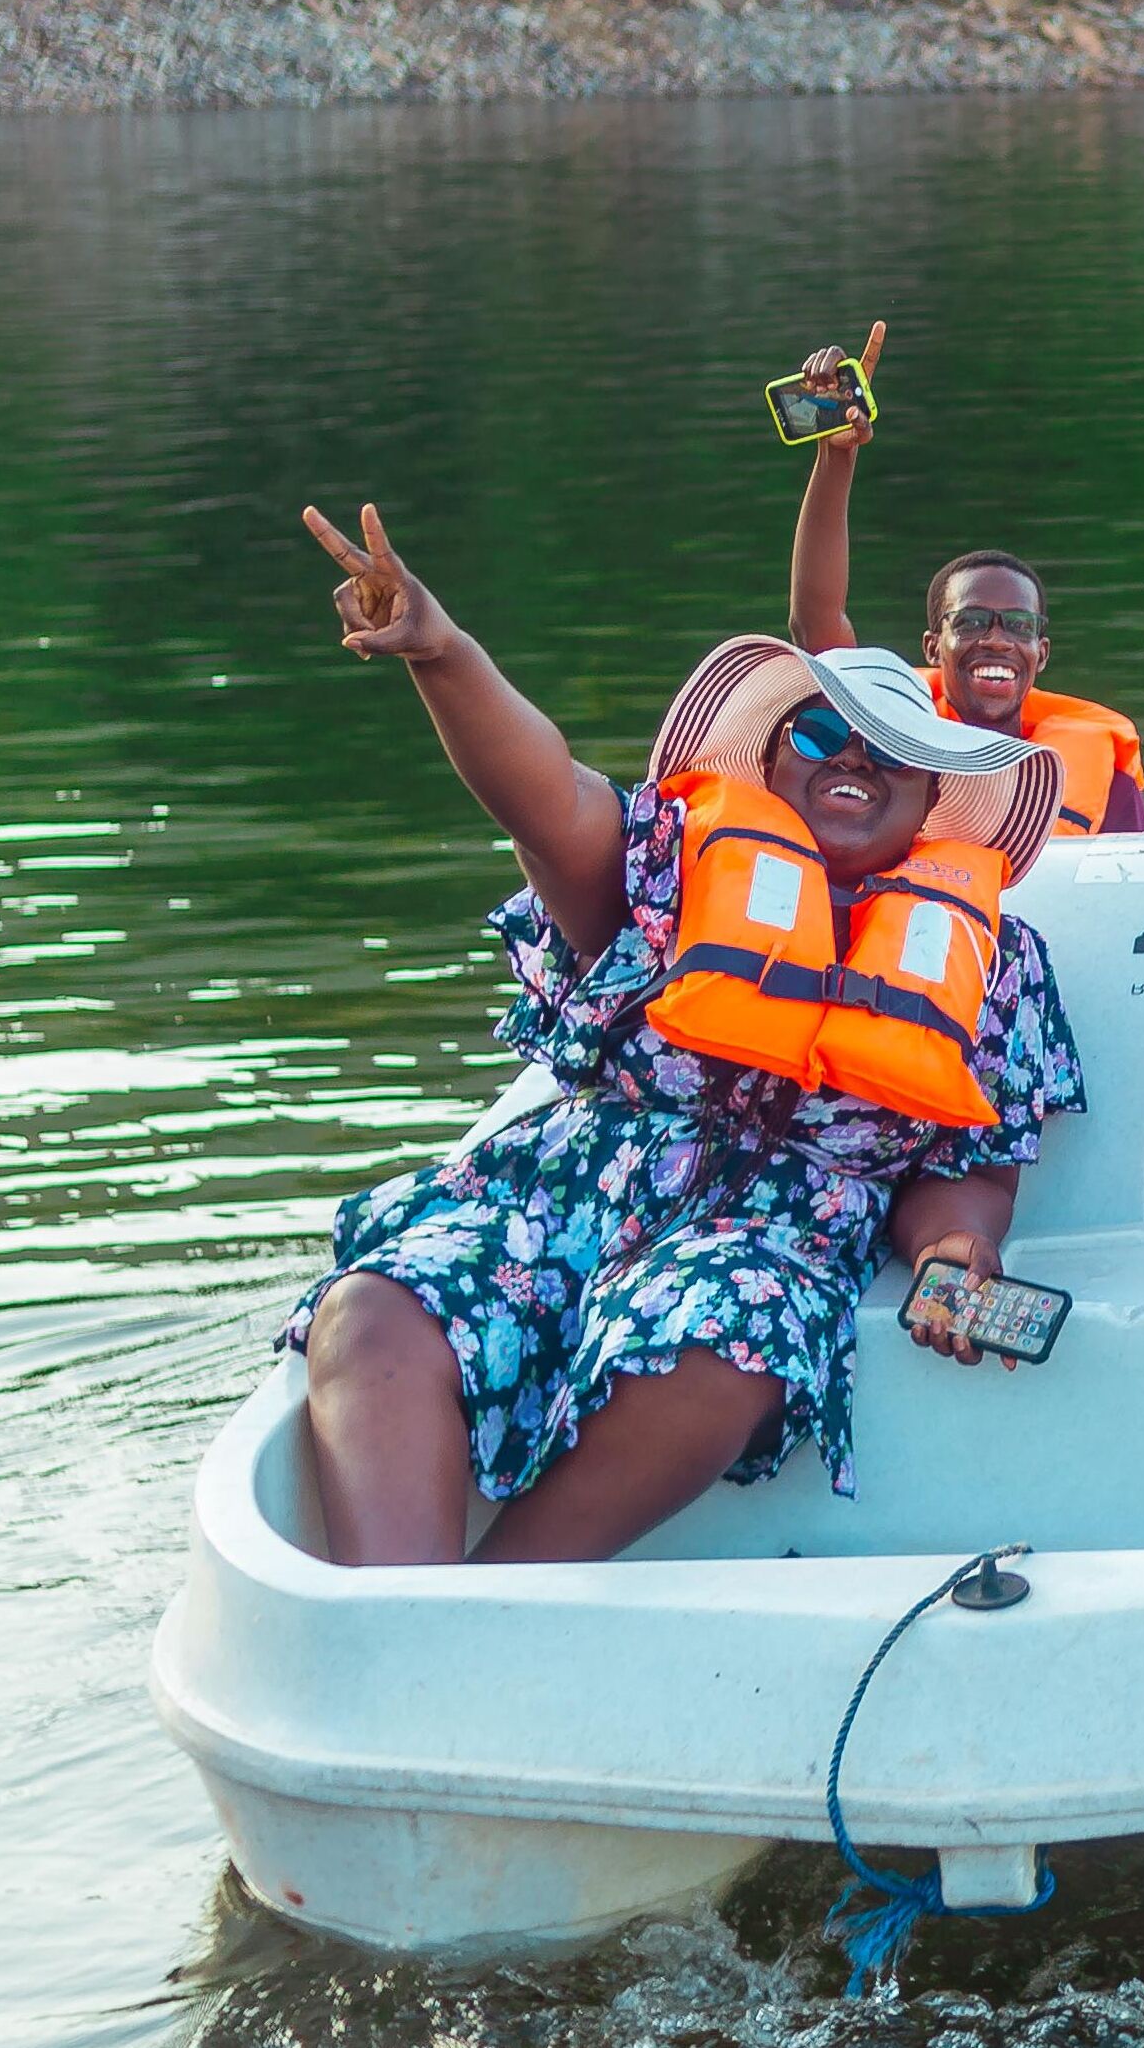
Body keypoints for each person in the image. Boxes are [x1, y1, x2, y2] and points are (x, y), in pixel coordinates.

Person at [283, 501, 1084, 1567]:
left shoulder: (998, 958)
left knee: (726, 1334)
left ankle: (487, 1608)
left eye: (893, 749)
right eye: (817, 732)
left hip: (769, 1233)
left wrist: (956, 1255)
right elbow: (544, 797)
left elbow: (968, 1167)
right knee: (374, 1310)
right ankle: (387, 1625)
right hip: (564, 1193)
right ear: (772, 755)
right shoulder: (669, 858)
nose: (852, 757)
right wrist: (443, 651)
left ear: (936, 791)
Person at [787, 321, 1144, 838]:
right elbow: (816, 624)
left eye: (1018, 626)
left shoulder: (1104, 778)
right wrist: (836, 455)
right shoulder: (890, 730)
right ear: (934, 645)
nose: (997, 640)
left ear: (1041, 654)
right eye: (973, 621)